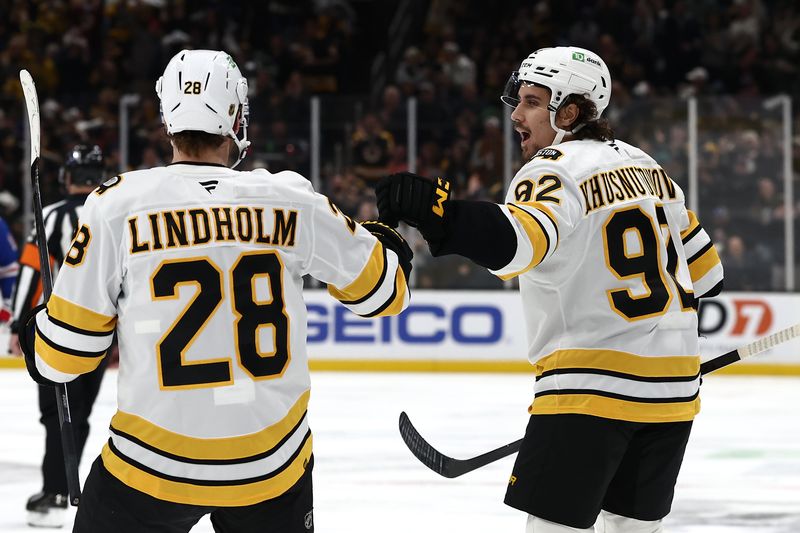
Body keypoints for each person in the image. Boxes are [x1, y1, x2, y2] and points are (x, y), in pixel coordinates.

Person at [19, 49, 412, 533]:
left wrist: (36, 325)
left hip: (152, 466)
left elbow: (64, 358)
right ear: (236, 117)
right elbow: (384, 294)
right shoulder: (291, 198)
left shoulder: (116, 204)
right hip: (269, 463)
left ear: (167, 118)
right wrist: (388, 241)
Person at [377, 46, 724, 532]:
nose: (516, 114)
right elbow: (708, 276)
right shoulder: (651, 169)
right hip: (675, 393)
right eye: (518, 100)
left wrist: (443, 217)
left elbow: (518, 245)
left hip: (589, 389)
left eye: (533, 102)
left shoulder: (553, 168)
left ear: (570, 112)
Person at [9, 145, 109, 528]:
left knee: (57, 413)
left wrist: (20, 325)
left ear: (67, 177)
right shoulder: (111, 212)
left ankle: (55, 491)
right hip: (103, 333)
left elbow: (32, 273)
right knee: (78, 415)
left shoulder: (50, 216)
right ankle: (69, 486)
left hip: (59, 333)